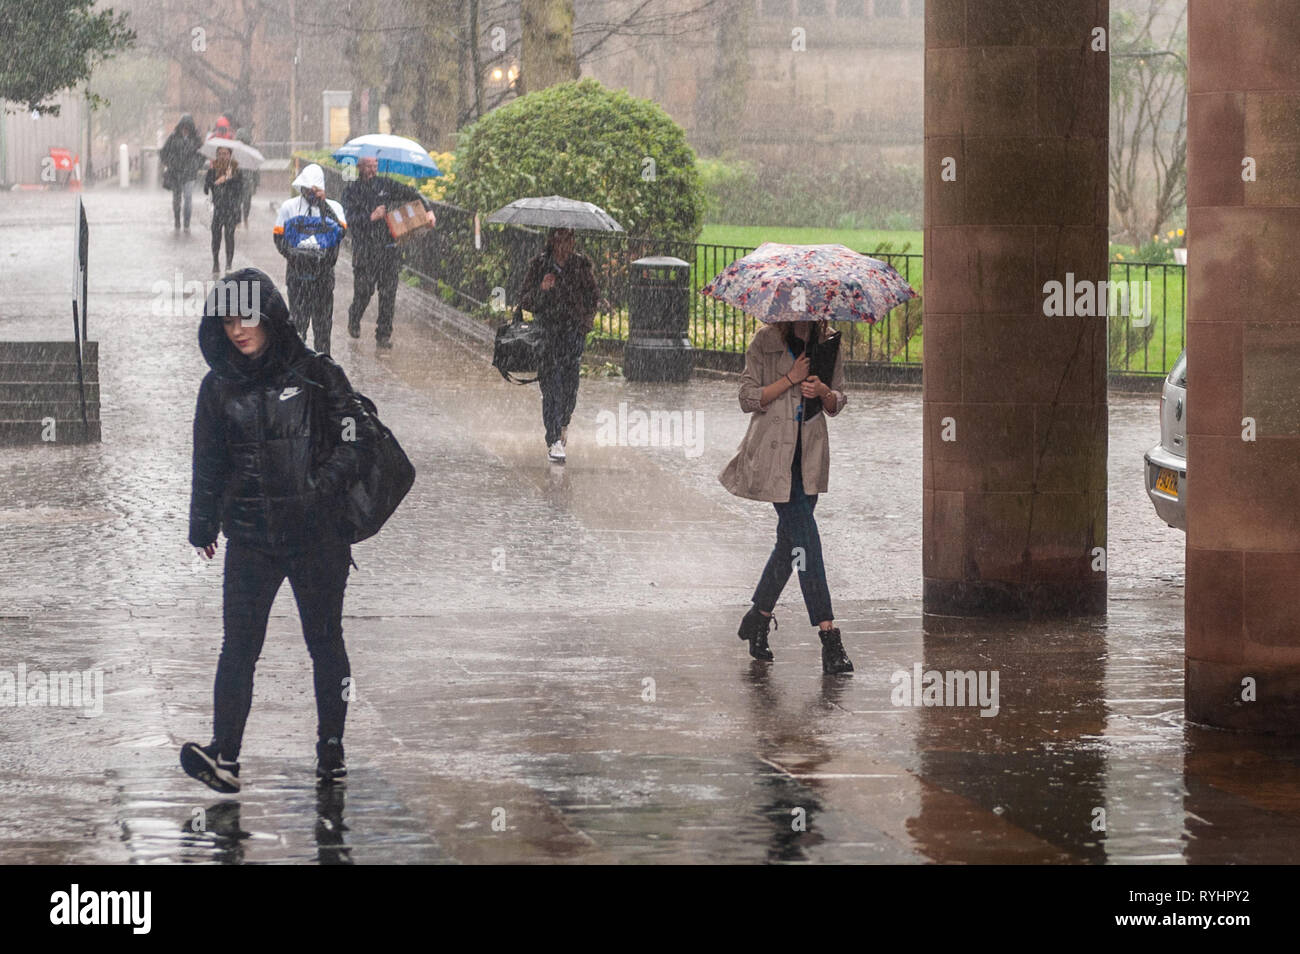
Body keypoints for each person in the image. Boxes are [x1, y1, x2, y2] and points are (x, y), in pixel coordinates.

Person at [184, 268, 374, 793]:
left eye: (247, 317)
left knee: (325, 642)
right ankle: (225, 754)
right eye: (226, 320)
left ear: (269, 315)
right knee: (238, 647)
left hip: (318, 539)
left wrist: (318, 488)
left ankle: (331, 748)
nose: (238, 330)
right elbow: (209, 462)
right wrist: (202, 523)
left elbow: (356, 440)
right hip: (251, 539)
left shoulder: (316, 374)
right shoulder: (217, 387)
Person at [719, 318, 854, 675]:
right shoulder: (765, 340)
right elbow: (748, 398)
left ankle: (758, 618)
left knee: (790, 543)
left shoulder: (827, 342)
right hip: (774, 458)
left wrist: (823, 392)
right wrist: (790, 379)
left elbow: (838, 400)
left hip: (808, 459)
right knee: (807, 541)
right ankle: (829, 635)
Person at [517, 228, 598, 463]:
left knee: (570, 386)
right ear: (553, 240)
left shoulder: (581, 266)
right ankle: (553, 439)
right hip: (548, 334)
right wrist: (542, 289)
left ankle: (564, 422)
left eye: (571, 238)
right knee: (551, 387)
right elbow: (525, 299)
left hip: (572, 334)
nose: (567, 243)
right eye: (562, 238)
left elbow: (593, 296)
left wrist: (584, 322)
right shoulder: (540, 265)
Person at [341, 156, 435, 350]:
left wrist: (428, 210)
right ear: (359, 167)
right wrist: (371, 216)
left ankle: (383, 334)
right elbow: (349, 220)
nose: (373, 170)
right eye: (368, 166)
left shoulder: (386, 184)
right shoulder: (351, 190)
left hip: (388, 249)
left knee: (388, 293)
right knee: (364, 291)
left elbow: (412, 193)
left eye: (375, 166)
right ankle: (354, 316)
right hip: (365, 250)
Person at [274, 163, 347, 355]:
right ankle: (298, 370)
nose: (310, 193)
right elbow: (278, 237)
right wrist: (296, 257)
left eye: (314, 189)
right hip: (297, 278)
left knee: (323, 331)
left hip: (323, 279)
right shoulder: (289, 207)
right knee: (297, 329)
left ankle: (324, 373)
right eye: (307, 189)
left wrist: (324, 206)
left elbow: (341, 232)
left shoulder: (334, 208)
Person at [203, 146, 244, 276]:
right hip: (218, 209)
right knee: (216, 237)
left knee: (229, 236)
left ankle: (228, 263)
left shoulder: (236, 171)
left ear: (230, 155)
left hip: (231, 209)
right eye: (220, 153)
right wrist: (213, 181)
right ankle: (216, 262)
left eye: (225, 154)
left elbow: (240, 191)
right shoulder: (212, 170)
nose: (222, 156)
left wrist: (230, 178)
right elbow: (205, 189)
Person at [160, 114, 203, 233]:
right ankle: (177, 220)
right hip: (176, 173)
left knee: (188, 198)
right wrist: (170, 162)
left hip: (189, 173)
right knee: (177, 198)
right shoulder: (173, 138)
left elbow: (201, 155)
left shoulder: (196, 140)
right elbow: (163, 153)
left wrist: (196, 165)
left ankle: (187, 223)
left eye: (187, 127)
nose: (185, 130)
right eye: (183, 127)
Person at [235, 127, 259, 229]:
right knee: (236, 201)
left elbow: (256, 167)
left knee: (247, 201)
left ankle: (245, 217)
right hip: (237, 179)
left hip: (248, 180)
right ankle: (238, 221)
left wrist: (256, 182)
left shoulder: (252, 150)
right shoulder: (234, 150)